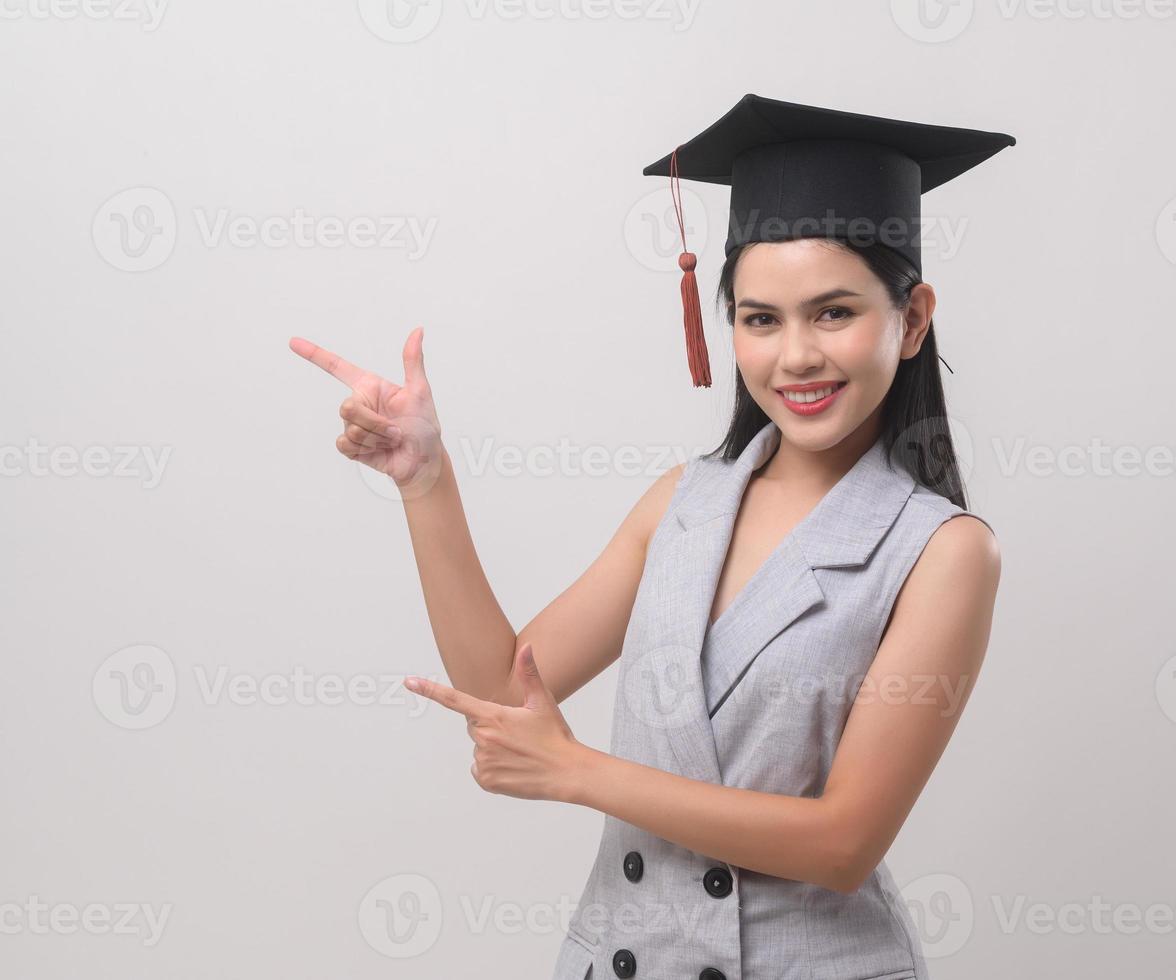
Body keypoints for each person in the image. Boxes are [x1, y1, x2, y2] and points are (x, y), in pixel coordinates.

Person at [289, 93, 1011, 979]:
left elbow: (841, 842)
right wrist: (427, 484)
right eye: (759, 319)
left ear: (912, 318)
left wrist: (578, 771)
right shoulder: (683, 501)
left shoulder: (941, 550)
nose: (795, 357)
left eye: (832, 312)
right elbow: (506, 690)